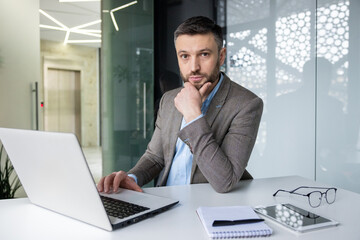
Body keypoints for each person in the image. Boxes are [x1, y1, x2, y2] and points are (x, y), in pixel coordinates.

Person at [97, 16, 263, 194]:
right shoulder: (169, 99)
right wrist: (131, 178)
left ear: (221, 56)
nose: (194, 67)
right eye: (185, 56)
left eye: (204, 54)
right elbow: (155, 157)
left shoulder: (246, 104)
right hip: (166, 203)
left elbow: (224, 181)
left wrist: (193, 115)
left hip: (210, 209)